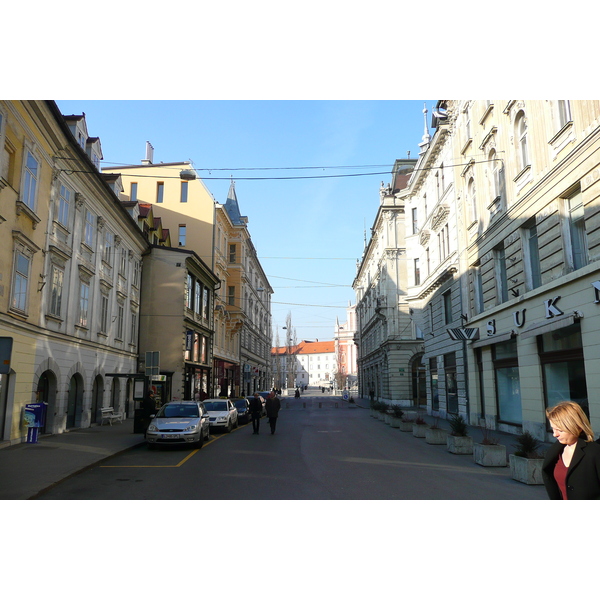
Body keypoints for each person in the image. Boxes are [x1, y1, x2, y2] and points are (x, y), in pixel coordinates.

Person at [542, 401, 600, 500]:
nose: (555, 434)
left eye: (560, 430)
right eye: (553, 429)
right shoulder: (556, 451)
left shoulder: (594, 452)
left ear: (578, 427)